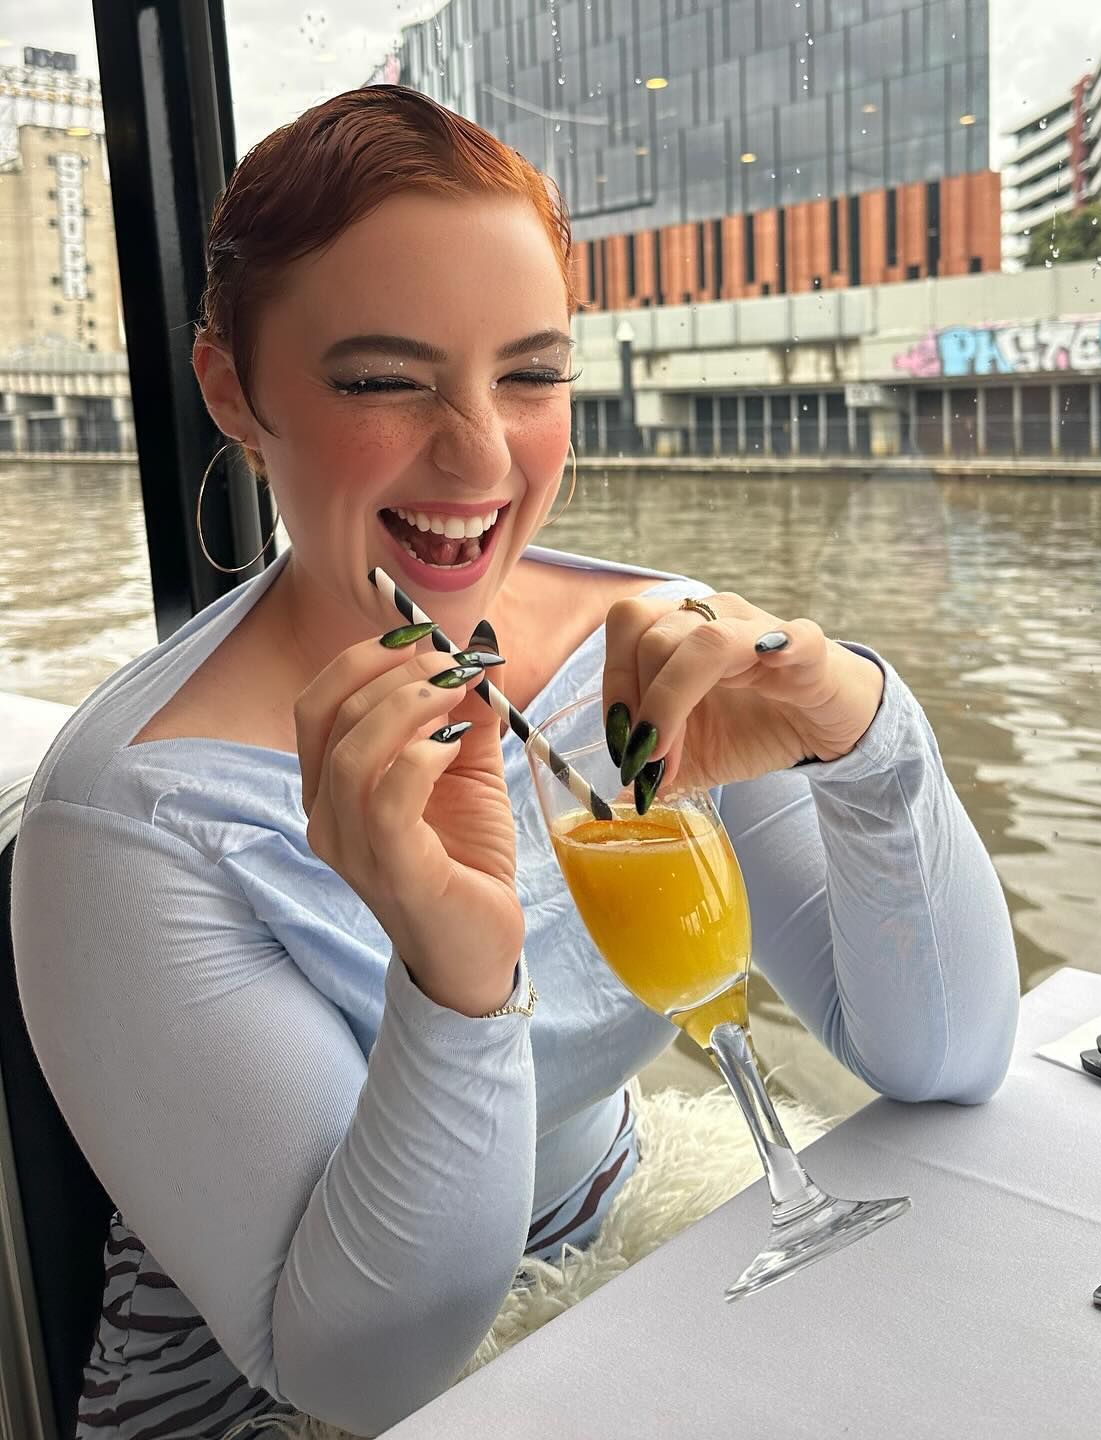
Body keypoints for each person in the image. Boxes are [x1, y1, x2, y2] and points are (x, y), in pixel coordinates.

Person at [12, 86, 1019, 1440]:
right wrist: (457, 976)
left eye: (532, 375)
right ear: (234, 390)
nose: (480, 455)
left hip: (628, 1260)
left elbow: (945, 1058)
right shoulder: (130, 822)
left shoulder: (648, 652)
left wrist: (862, 738)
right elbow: (354, 1373)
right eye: (384, 380)